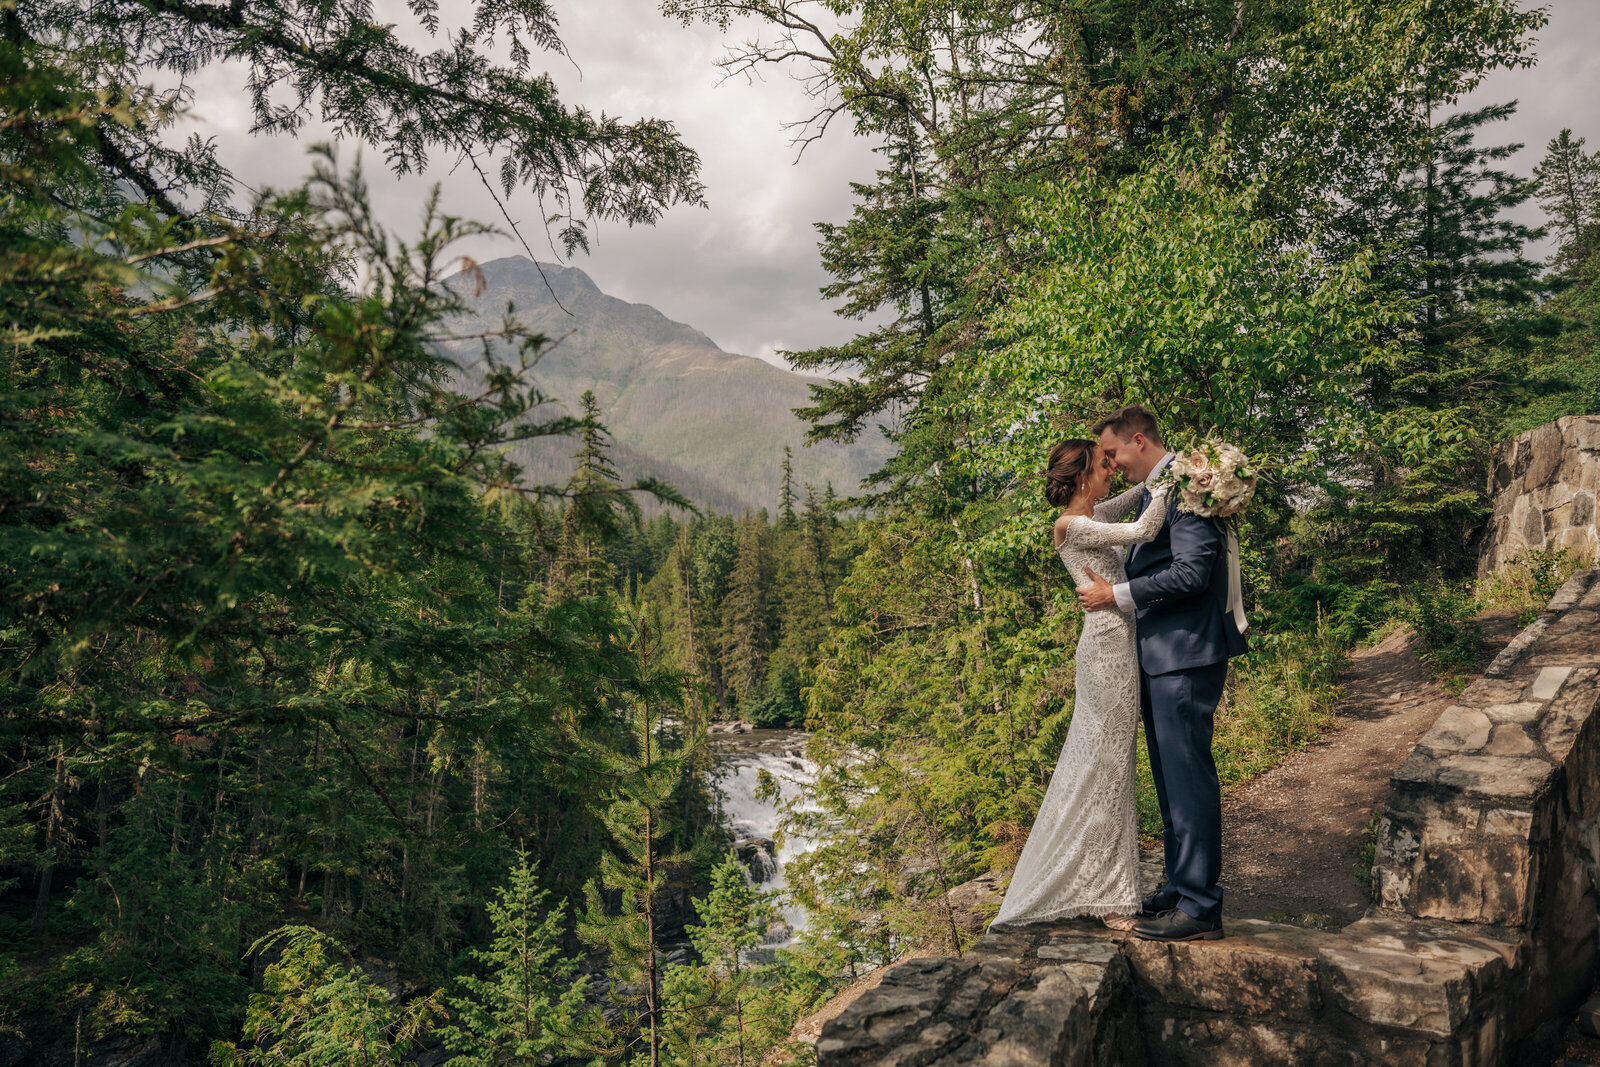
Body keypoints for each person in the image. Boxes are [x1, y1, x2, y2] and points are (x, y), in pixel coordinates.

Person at [1078, 404, 1247, 942]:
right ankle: (1179, 886)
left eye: (1113, 454)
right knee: (1171, 780)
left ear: (1137, 441)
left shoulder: (1187, 487)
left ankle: (1200, 907)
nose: (1112, 463)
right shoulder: (1159, 488)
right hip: (1159, 656)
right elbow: (1102, 516)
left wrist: (1116, 595)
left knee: (1189, 777)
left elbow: (1193, 573)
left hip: (1185, 654)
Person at [990, 437, 1170, 931]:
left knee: (1111, 767)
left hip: (1116, 646)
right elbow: (1145, 528)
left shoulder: (1092, 512)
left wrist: (1157, 473)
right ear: (1083, 475)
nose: (1112, 469)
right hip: (1107, 653)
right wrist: (1182, 477)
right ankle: (1107, 894)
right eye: (1103, 464)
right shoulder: (1072, 525)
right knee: (1105, 768)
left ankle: (1104, 881)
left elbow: (1131, 500)